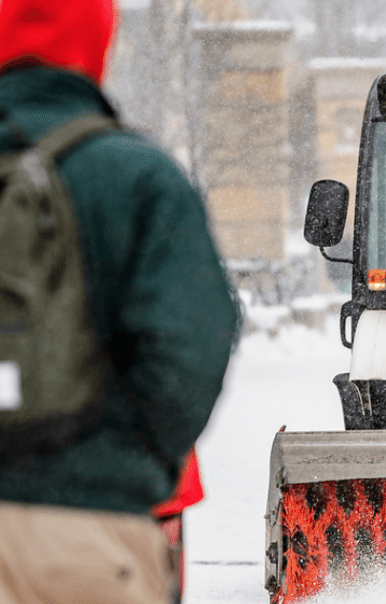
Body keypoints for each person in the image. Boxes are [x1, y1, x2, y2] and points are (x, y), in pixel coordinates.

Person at [0, 1, 238, 603]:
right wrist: (128, 462)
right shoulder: (138, 176)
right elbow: (189, 346)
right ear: (99, 42)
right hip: (90, 531)